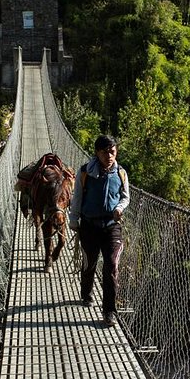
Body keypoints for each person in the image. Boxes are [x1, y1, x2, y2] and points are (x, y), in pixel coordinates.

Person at [69, 135, 130, 327]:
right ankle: (86, 292)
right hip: (89, 225)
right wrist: (73, 219)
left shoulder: (121, 173)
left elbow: (125, 197)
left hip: (112, 226)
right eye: (105, 152)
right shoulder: (85, 171)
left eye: (112, 151)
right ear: (97, 153)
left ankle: (109, 311)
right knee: (89, 263)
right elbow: (77, 196)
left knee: (111, 265)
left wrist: (119, 208)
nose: (109, 156)